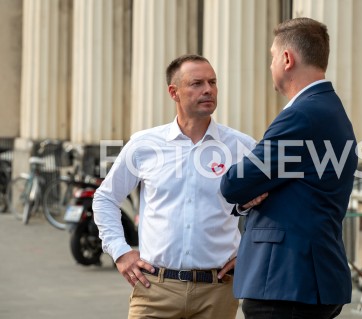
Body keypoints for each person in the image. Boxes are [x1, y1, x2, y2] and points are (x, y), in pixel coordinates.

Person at [92, 54, 256, 319]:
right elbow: (106, 198)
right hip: (154, 289)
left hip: (217, 291)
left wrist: (250, 252)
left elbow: (271, 204)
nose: (208, 89)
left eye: (212, 82)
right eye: (197, 83)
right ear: (174, 92)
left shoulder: (241, 147)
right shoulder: (144, 145)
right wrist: (120, 252)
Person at [220, 17, 358, 319]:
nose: (270, 65)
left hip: (286, 282)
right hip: (306, 279)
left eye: (272, 57)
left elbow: (234, 184)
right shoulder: (328, 108)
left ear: (287, 59)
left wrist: (252, 189)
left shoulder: (301, 116)